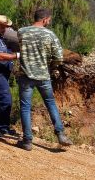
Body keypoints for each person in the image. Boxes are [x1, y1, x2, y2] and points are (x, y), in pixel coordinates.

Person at [16, 8, 72, 151]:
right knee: (50, 104)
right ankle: (60, 134)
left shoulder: (22, 31)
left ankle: (27, 141)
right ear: (45, 19)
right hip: (43, 75)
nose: (49, 21)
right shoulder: (50, 34)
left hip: (25, 75)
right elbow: (59, 57)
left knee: (25, 107)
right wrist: (51, 67)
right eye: (49, 19)